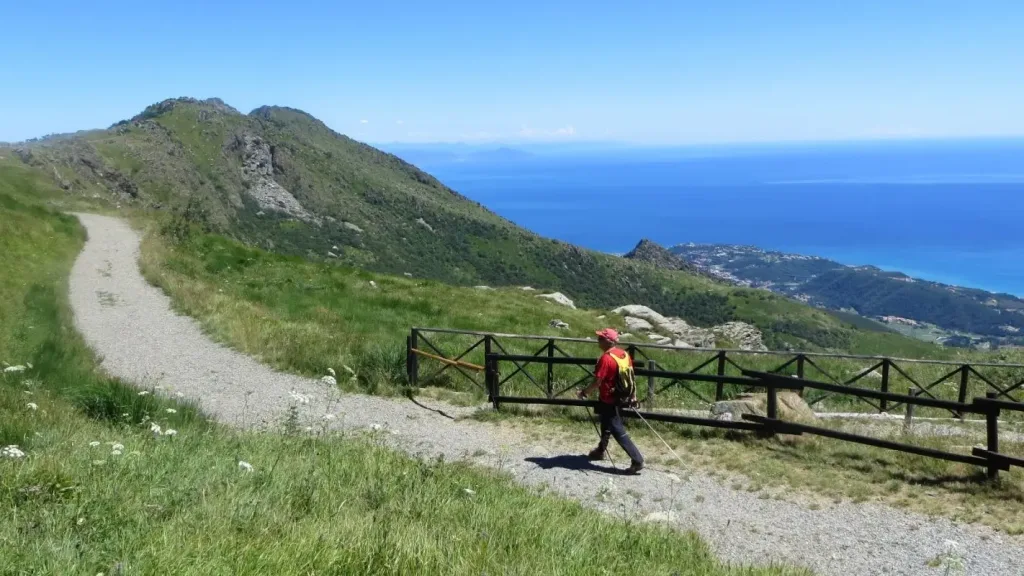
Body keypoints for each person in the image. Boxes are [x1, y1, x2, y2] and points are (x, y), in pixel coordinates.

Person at [577, 328, 644, 474]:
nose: (598, 340)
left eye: (601, 338)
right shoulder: (624, 354)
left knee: (617, 429)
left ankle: (637, 460)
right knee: (606, 423)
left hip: (608, 398)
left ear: (609, 341)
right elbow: (631, 377)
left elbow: (597, 382)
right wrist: (633, 396)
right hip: (622, 396)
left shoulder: (606, 358)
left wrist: (583, 392)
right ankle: (600, 450)